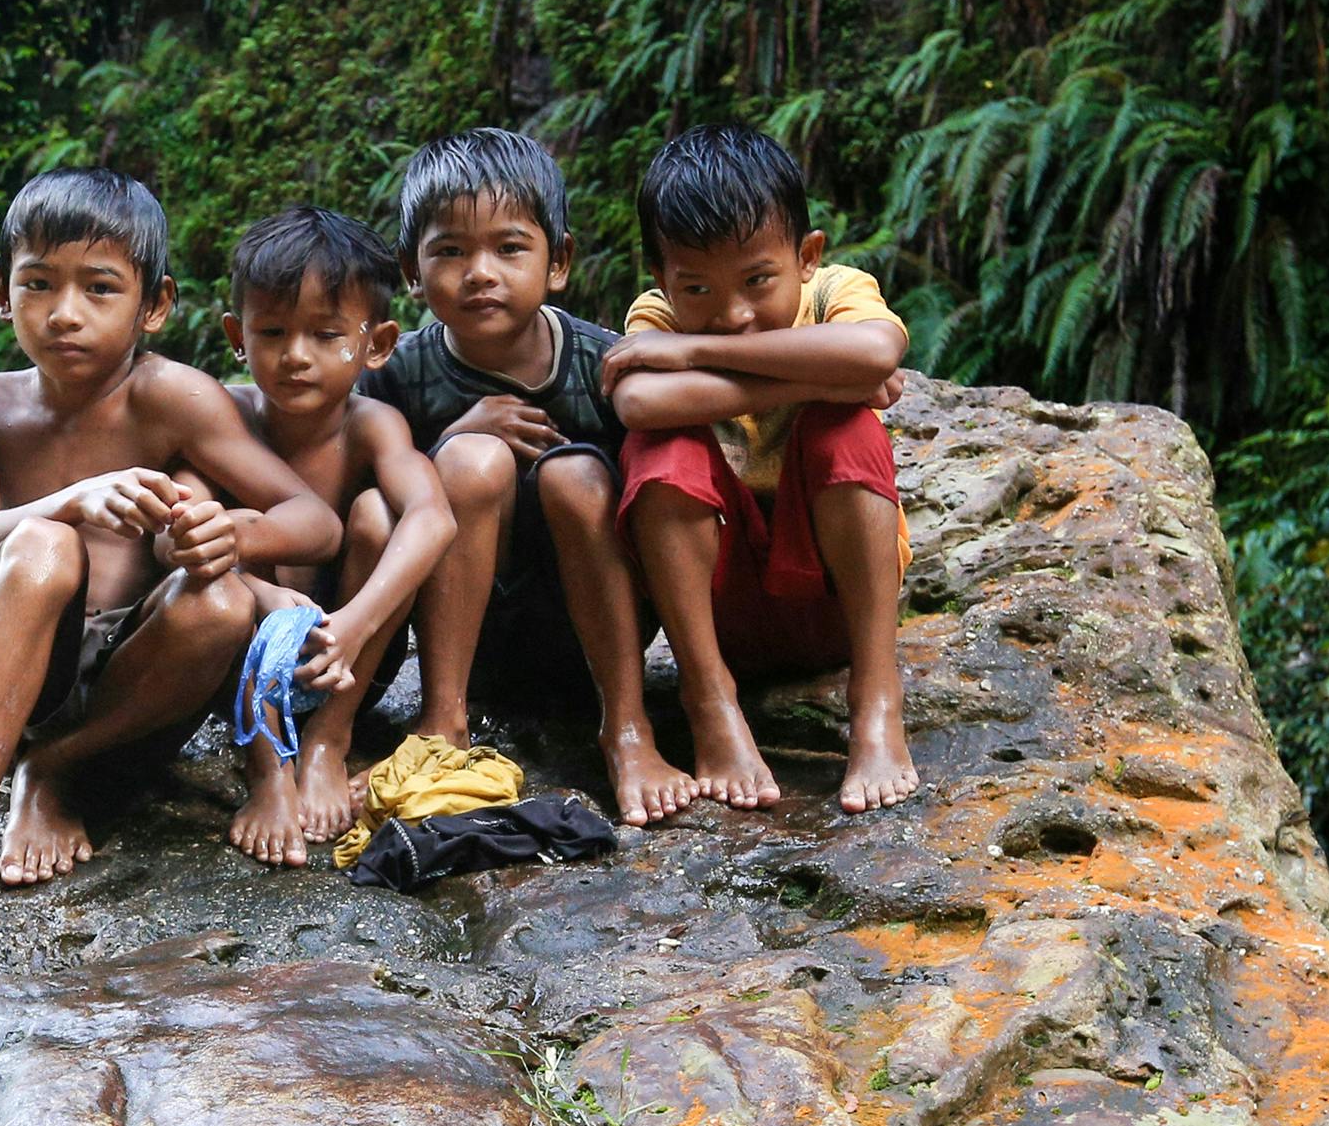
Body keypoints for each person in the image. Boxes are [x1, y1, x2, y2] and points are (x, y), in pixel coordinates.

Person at [0, 168, 348, 986]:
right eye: (38, 283)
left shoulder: (173, 397)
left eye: (100, 288)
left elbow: (313, 517)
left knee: (222, 603)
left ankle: (53, 769)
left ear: (154, 305)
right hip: (19, 662)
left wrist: (230, 532)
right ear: (3, 293)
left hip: (136, 686)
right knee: (44, 546)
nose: (65, 312)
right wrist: (69, 502)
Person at [360, 128, 698, 827]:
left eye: (510, 248)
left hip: (600, 633)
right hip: (472, 644)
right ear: (412, 271)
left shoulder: (607, 366)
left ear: (559, 260)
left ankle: (627, 728)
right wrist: (451, 440)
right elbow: (357, 505)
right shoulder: (396, 376)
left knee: (576, 475)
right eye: (450, 251)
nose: (480, 272)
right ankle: (442, 723)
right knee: (468, 459)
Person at [603, 123, 919, 814]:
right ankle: (710, 701)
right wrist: (823, 378)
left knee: (848, 429)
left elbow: (874, 355)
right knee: (662, 449)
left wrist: (695, 355)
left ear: (806, 256)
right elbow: (638, 401)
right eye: (697, 288)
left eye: (757, 280)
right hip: (722, 615)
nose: (732, 314)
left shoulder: (835, 292)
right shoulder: (656, 314)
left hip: (837, 608)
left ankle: (875, 698)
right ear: (661, 280)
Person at [211, 206, 458, 865]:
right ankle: (267, 766)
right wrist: (261, 593)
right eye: (272, 331)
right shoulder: (222, 419)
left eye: (326, 335)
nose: (296, 355)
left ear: (377, 343)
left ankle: (327, 739)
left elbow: (434, 516)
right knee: (226, 542)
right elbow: (182, 535)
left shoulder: (370, 425)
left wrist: (354, 623)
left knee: (380, 514)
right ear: (238, 335)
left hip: (345, 658)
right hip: (240, 660)